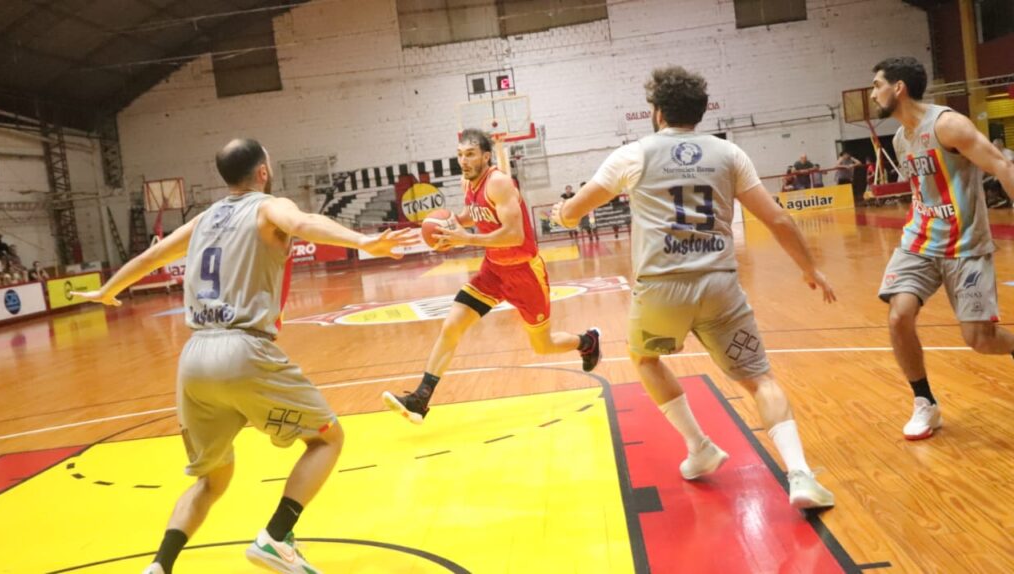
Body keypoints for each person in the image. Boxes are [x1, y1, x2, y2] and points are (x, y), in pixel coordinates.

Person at [76, 138, 418, 574]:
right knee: (327, 438)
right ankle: (276, 537)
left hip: (194, 359)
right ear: (262, 171)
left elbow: (151, 256)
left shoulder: (202, 220)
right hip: (243, 349)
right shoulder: (268, 207)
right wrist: (364, 241)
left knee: (212, 479)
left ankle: (159, 566)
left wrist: (109, 291)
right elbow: (304, 220)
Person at [553, 66, 836, 510]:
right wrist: (810, 268)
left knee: (645, 359)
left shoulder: (633, 154)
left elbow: (576, 211)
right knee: (760, 379)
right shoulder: (729, 154)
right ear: (701, 111)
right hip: (719, 283)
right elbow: (777, 219)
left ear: (657, 111)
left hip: (661, 288)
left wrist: (561, 213)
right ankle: (800, 475)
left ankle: (700, 446)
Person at [382, 129, 601, 424]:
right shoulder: (466, 183)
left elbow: (514, 234)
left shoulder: (499, 182)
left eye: (470, 154)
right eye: (460, 154)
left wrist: (466, 240)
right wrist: (448, 225)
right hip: (493, 271)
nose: (464, 160)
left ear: (486, 156)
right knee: (452, 326)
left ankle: (586, 341)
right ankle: (421, 398)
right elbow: (475, 214)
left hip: (524, 272)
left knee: (542, 345)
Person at [870, 57, 1014, 440]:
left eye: (877, 85)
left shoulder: (948, 124)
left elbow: (1002, 165)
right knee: (899, 316)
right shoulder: (900, 138)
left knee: (980, 340)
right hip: (918, 241)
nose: (872, 93)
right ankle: (925, 403)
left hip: (965, 245)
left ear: (898, 88)